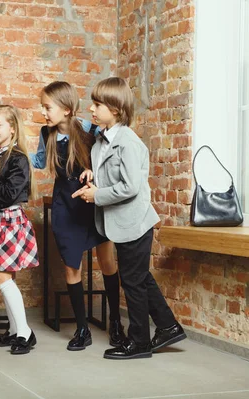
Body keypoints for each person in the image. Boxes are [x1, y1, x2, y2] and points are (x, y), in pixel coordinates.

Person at [73, 77, 187, 359]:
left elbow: (130, 187)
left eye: (97, 105)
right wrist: (91, 176)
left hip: (134, 223)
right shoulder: (101, 141)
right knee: (139, 277)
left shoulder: (128, 142)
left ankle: (140, 342)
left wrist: (96, 196)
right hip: (120, 223)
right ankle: (168, 326)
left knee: (133, 281)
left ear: (115, 108)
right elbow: (108, 174)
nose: (91, 109)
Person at [30, 81, 125, 351]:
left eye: (48, 107)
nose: (44, 112)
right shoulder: (46, 133)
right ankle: (82, 329)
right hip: (65, 205)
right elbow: (38, 160)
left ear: (67, 109)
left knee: (107, 261)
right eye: (43, 107)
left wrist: (96, 174)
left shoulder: (90, 129)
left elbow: (107, 155)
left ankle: (116, 323)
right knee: (72, 265)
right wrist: (12, 155)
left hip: (94, 202)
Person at [0, 105, 39, 355]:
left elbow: (6, 195)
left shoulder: (18, 158)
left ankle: (25, 333)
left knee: (2, 277)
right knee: (7, 277)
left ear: (12, 128)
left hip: (10, 222)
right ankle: (14, 330)